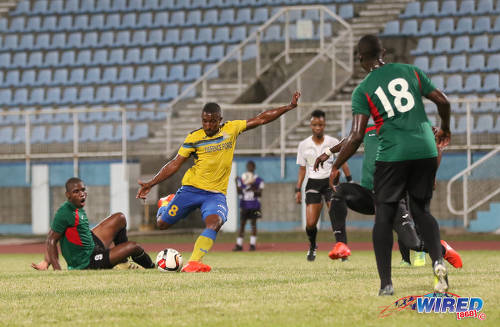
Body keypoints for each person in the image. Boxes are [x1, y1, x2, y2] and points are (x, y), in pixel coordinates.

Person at [326, 35, 451, 295]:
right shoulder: (411, 71)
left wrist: (337, 165)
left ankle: (386, 284)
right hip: (426, 149)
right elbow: (443, 102)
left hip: (394, 153)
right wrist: (445, 129)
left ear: (360, 59)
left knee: (383, 216)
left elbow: (357, 135)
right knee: (422, 211)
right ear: (383, 51)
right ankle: (438, 262)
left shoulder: (363, 89)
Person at [137, 91, 301, 272]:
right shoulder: (194, 138)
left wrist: (289, 107)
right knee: (162, 224)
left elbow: (261, 119)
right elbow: (175, 164)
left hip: (215, 195)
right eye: (204, 121)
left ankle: (194, 262)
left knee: (214, 223)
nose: (208, 125)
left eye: (212, 121)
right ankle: (165, 203)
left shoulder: (231, 129)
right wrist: (151, 183)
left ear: (220, 120)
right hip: (191, 189)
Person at [314, 126, 462, 270]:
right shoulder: (367, 130)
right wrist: (327, 152)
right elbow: (349, 140)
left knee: (413, 243)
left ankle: (442, 249)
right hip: (368, 194)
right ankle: (341, 244)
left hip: (393, 198)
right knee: (338, 191)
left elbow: (435, 147)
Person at [32, 177, 155, 271]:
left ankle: (122, 263)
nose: (81, 193)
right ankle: (152, 268)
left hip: (92, 244)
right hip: (88, 261)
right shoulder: (65, 212)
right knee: (134, 247)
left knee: (120, 218)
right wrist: (55, 268)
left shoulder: (76, 207)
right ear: (68, 195)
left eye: (83, 190)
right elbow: (51, 239)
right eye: (76, 191)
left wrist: (46, 261)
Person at [295, 109, 352, 261]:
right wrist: (298, 189)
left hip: (330, 182)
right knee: (311, 223)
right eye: (314, 125)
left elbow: (343, 162)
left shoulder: (333, 142)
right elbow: (302, 169)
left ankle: (342, 249)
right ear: (310, 125)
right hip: (313, 182)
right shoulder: (303, 144)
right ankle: (313, 245)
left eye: (320, 124)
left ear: (324, 124)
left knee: (337, 216)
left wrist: (349, 179)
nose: (318, 127)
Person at [233, 160, 264, 251]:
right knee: (242, 224)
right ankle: (239, 245)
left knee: (253, 224)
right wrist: (236, 183)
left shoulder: (258, 180)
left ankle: (252, 244)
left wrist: (252, 186)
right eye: (248, 166)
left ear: (254, 168)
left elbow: (260, 193)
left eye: (251, 166)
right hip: (244, 205)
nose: (249, 168)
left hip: (255, 205)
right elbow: (239, 191)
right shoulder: (242, 179)